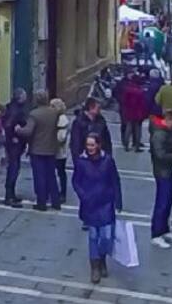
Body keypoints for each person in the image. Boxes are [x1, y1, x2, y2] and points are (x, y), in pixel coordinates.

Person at [72, 133, 123, 284]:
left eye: (92, 145)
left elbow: (115, 180)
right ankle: (95, 266)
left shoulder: (107, 161)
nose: (90, 148)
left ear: (99, 145)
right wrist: (83, 195)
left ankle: (102, 259)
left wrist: (118, 200)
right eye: (88, 145)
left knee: (106, 236)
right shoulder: (81, 162)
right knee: (93, 236)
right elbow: (76, 181)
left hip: (106, 203)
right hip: (90, 204)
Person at [18, 91, 63, 211]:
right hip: (51, 148)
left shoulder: (34, 114)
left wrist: (18, 129)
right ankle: (56, 201)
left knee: (40, 177)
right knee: (51, 176)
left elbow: (28, 131)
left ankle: (41, 202)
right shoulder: (54, 113)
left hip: (37, 149)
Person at [148, 109, 172, 249]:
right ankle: (156, 234)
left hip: (167, 171)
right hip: (163, 172)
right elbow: (160, 155)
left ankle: (164, 230)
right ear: (167, 119)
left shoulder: (163, 132)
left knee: (167, 202)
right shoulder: (159, 134)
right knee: (162, 202)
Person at [0, 88, 29, 207]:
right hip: (14, 144)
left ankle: (11, 194)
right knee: (13, 168)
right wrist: (13, 136)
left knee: (14, 168)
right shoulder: (15, 110)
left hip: (14, 143)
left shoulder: (11, 107)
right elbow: (8, 124)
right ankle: (9, 196)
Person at [70, 97, 113, 166]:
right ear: (91, 108)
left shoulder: (101, 120)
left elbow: (107, 140)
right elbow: (76, 143)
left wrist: (108, 156)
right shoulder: (79, 122)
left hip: (100, 157)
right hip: (85, 158)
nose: (100, 110)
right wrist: (77, 160)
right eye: (98, 108)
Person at [119, 73, 149, 152]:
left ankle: (126, 145)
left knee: (128, 128)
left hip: (129, 111)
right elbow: (143, 104)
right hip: (138, 113)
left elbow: (124, 101)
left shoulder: (127, 89)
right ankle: (137, 146)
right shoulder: (140, 92)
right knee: (138, 129)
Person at [51, 98, 70, 204]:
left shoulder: (62, 119)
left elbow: (61, 138)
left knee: (60, 172)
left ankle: (62, 193)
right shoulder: (56, 117)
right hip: (56, 151)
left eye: (53, 106)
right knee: (57, 172)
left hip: (59, 152)